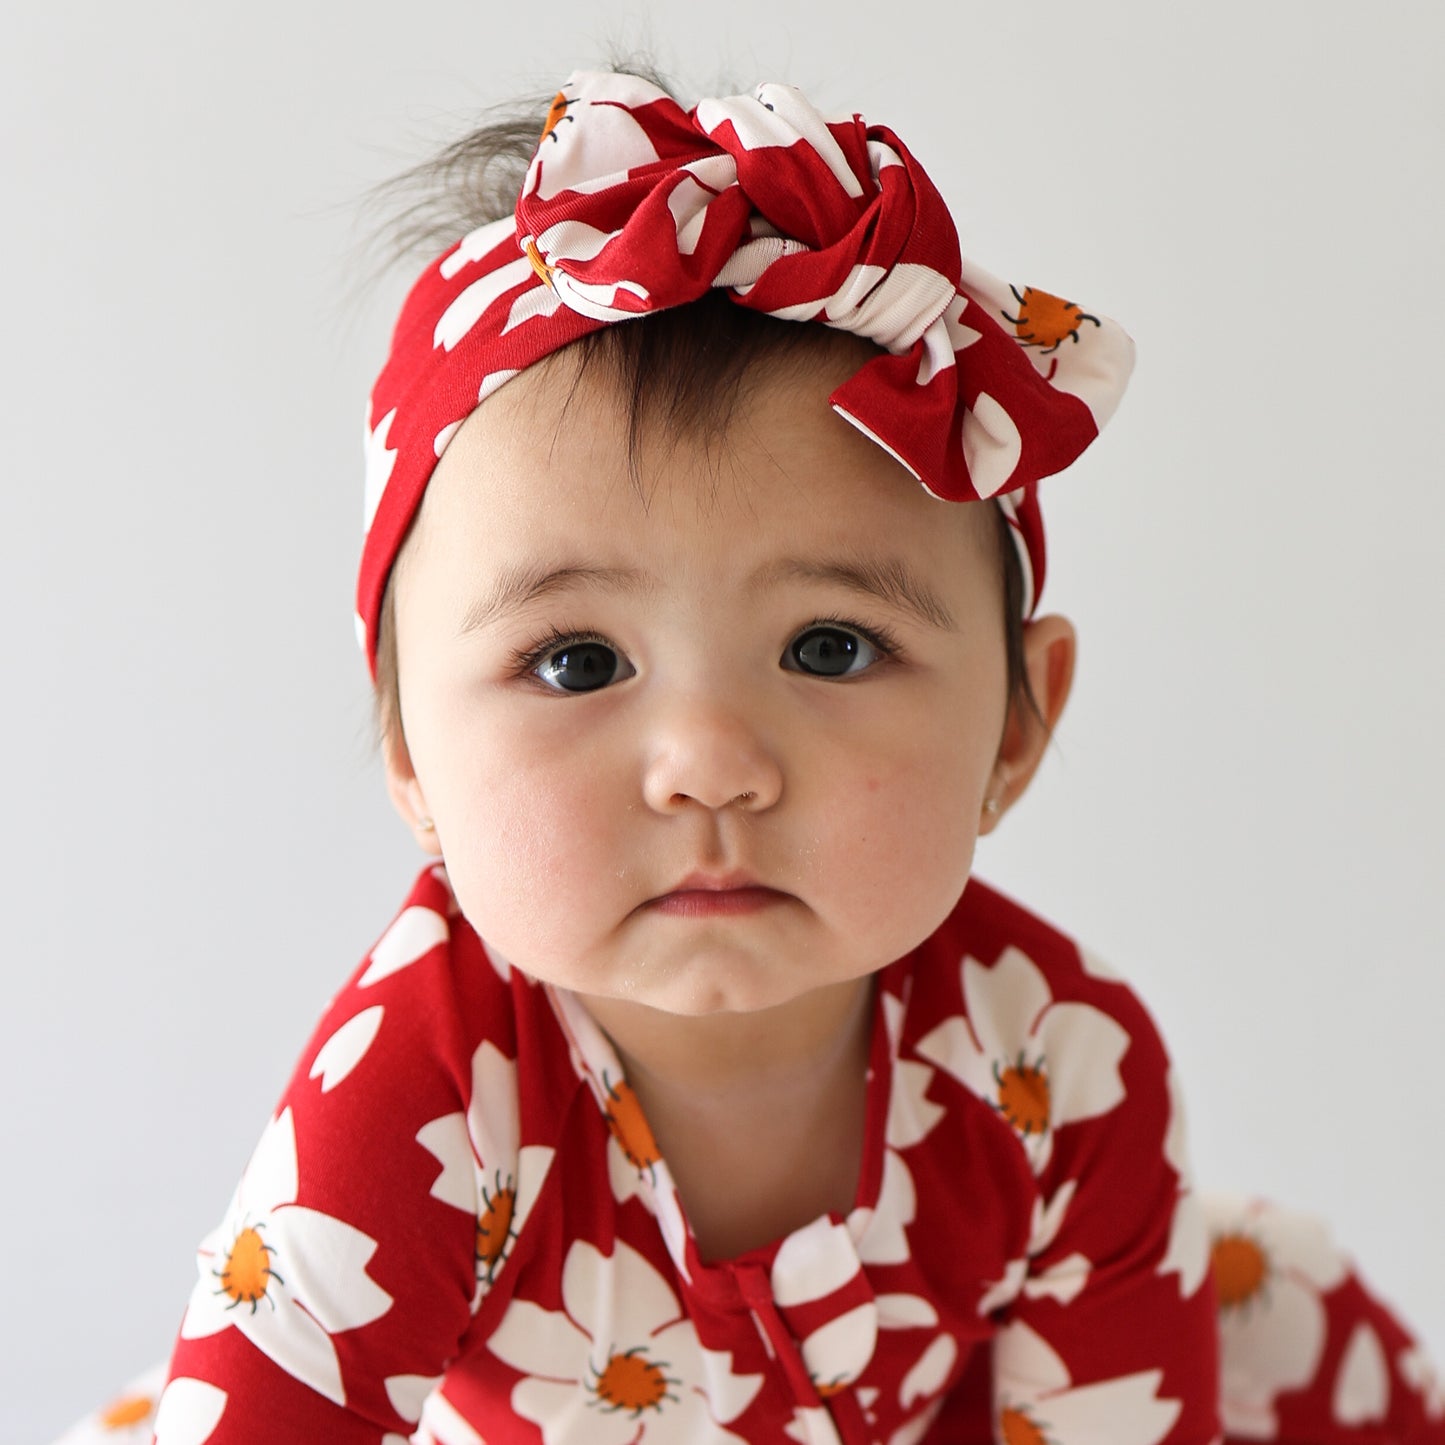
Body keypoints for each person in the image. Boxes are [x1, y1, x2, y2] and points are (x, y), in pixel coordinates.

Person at [57, 65, 1443, 1445]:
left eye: (830, 647)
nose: (709, 766)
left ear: (1017, 722)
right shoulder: (422, 1100)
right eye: (576, 661)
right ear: (411, 751)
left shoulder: (1058, 1067)